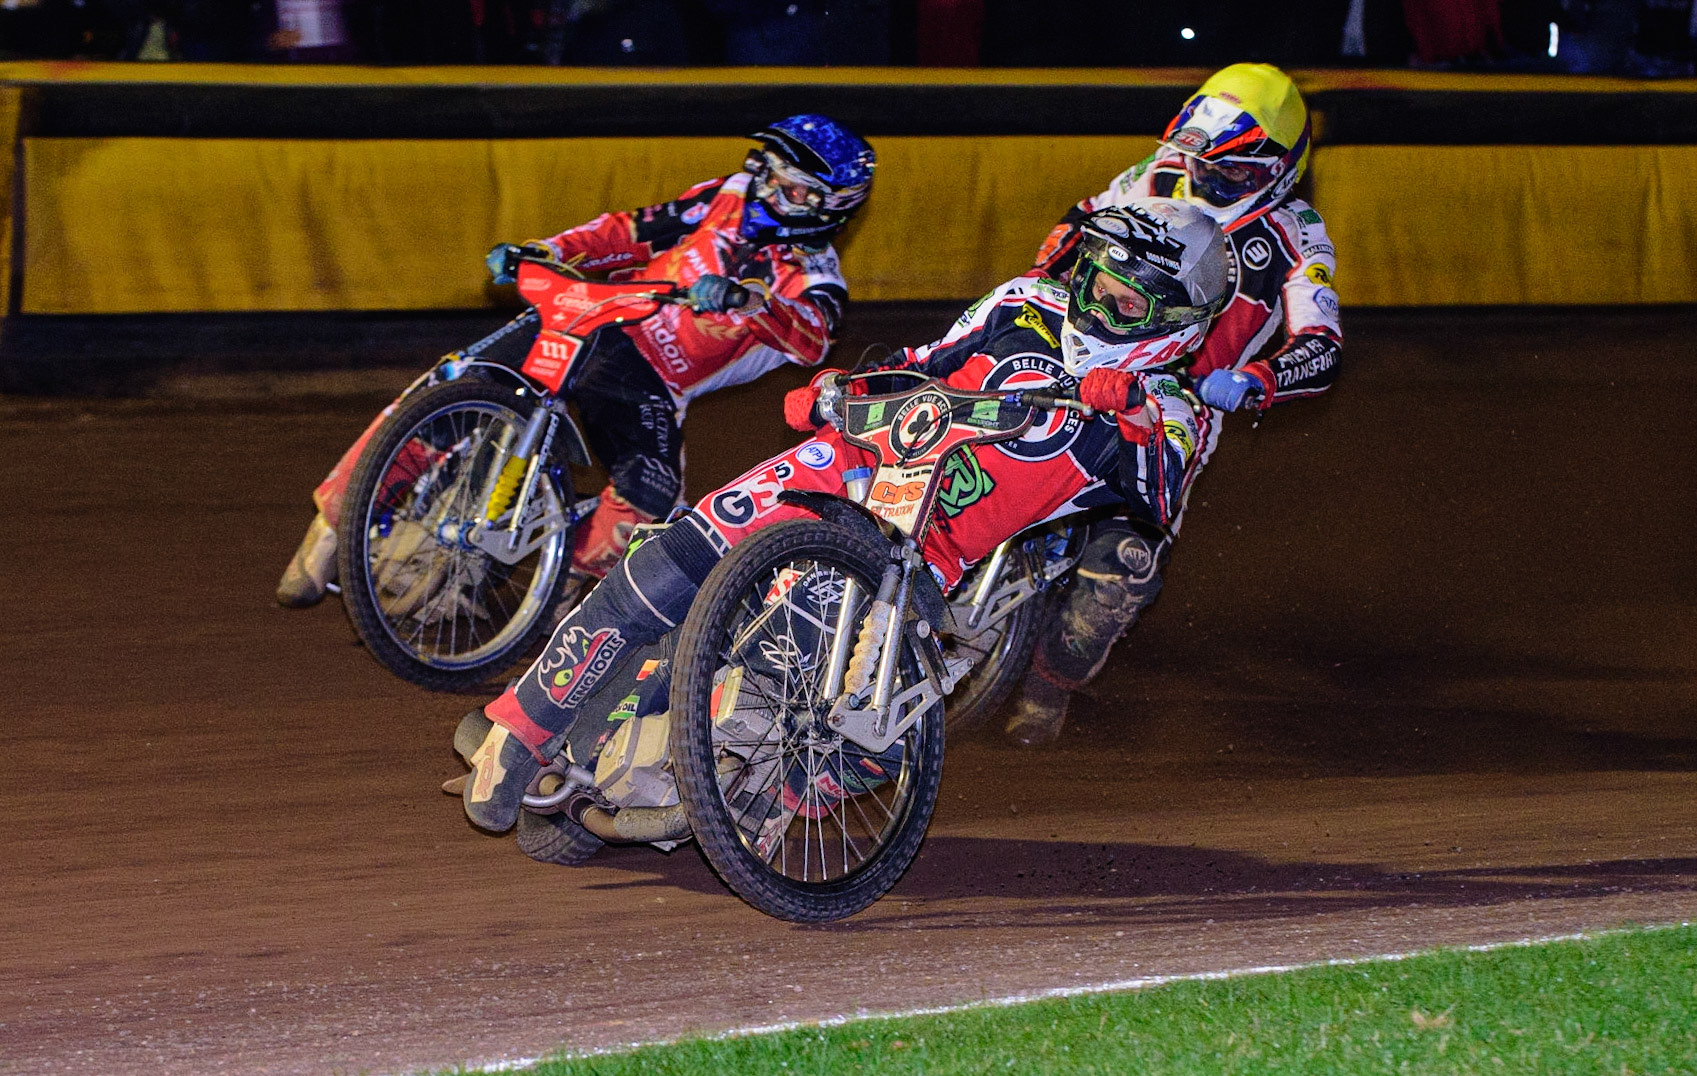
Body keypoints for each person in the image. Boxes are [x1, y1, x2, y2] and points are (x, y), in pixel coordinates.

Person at [457, 198, 1233, 833]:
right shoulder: (1025, 303)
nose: (1097, 303)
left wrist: (1133, 416)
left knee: (875, 730)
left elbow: (1155, 501)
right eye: (1096, 280)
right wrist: (843, 389)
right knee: (671, 559)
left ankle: (767, 798)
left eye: (1125, 301)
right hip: (852, 461)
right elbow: (922, 362)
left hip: (929, 553)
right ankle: (519, 729)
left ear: (1176, 318)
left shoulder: (1176, 409)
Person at [275, 113, 876, 607]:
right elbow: (629, 231)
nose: (770, 191)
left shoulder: (817, 280)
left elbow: (812, 339)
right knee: (449, 388)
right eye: (770, 173)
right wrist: (549, 249)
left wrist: (753, 301)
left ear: (831, 206)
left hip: (654, 378)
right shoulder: (728, 195)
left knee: (652, 500)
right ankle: (331, 525)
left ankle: (556, 603)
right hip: (597, 315)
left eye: (792, 189)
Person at [1004, 61, 1343, 746]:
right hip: (1075, 359)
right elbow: (1063, 245)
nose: (1207, 183)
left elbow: (1322, 341)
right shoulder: (1153, 175)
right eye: (1199, 165)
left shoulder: (1293, 234)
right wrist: (1037, 287)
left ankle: (1046, 688)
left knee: (1118, 573)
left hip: (1173, 406)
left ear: (1278, 168)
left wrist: (1258, 380)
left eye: (1229, 175)